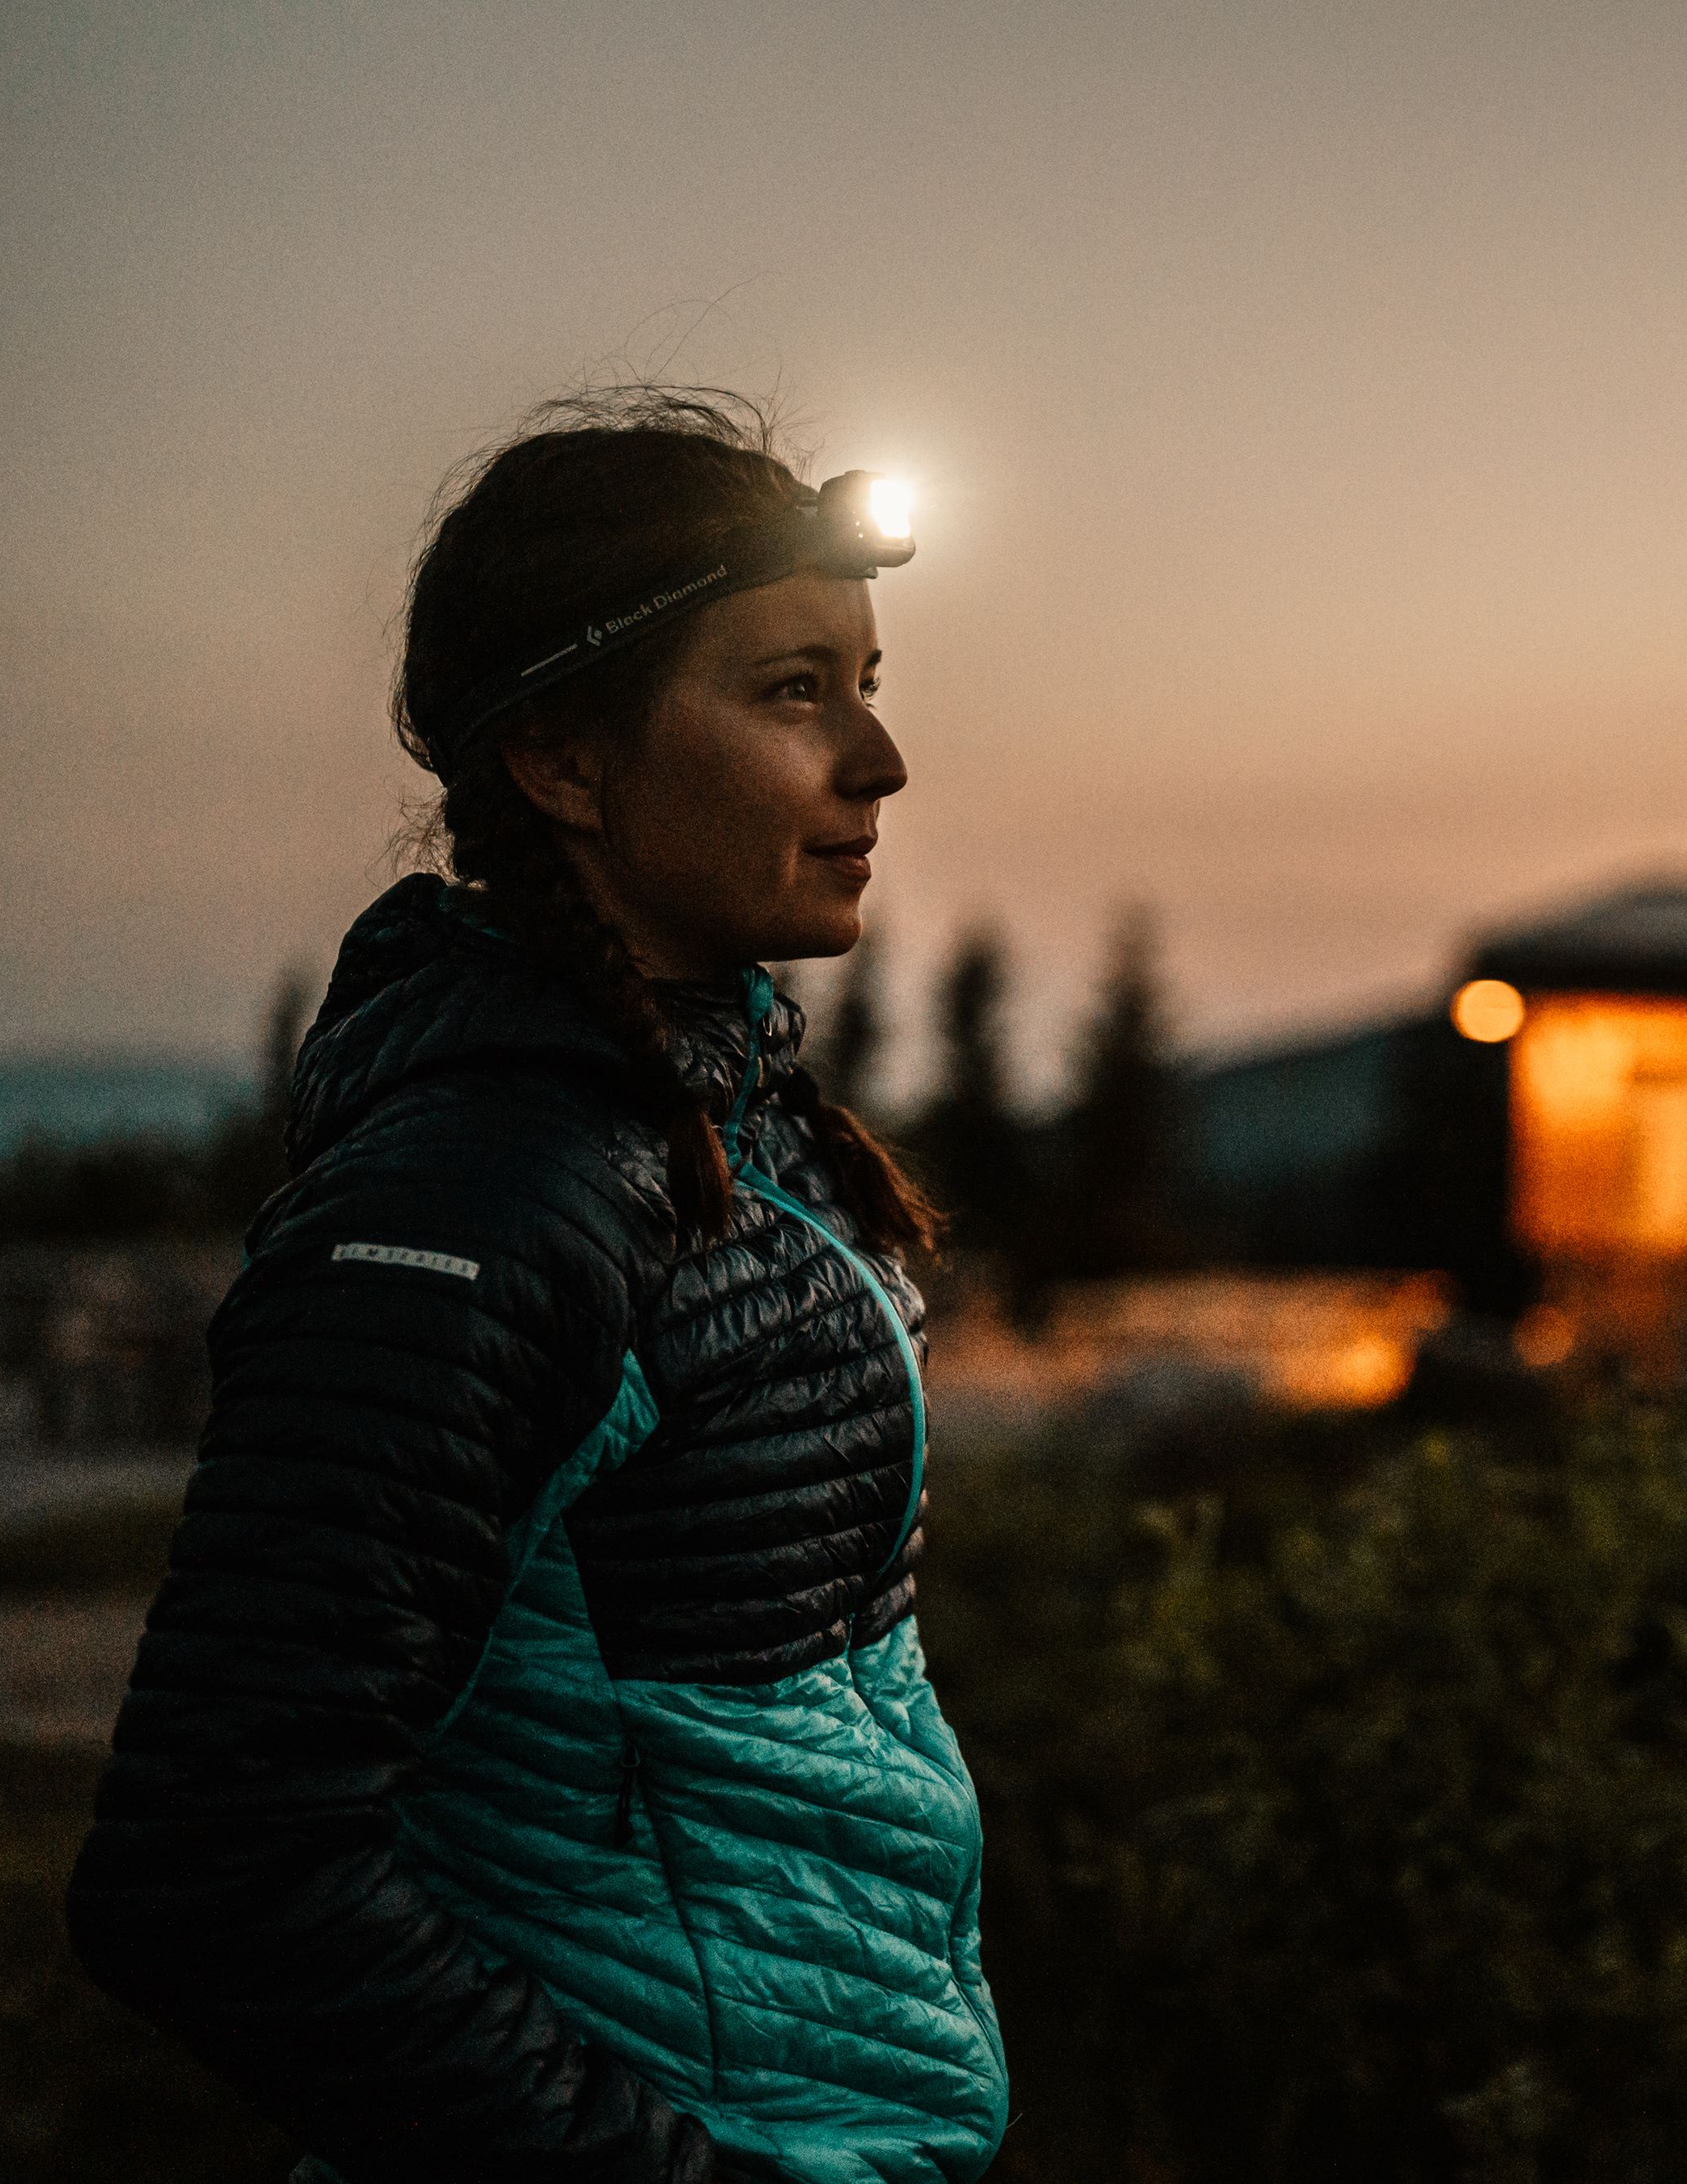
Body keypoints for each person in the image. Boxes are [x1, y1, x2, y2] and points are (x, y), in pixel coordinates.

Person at [67, 389, 1006, 2183]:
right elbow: (212, 1865)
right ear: (565, 763)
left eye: (868, 678)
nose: (877, 758)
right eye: (793, 689)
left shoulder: (721, 1130)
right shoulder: (489, 1197)